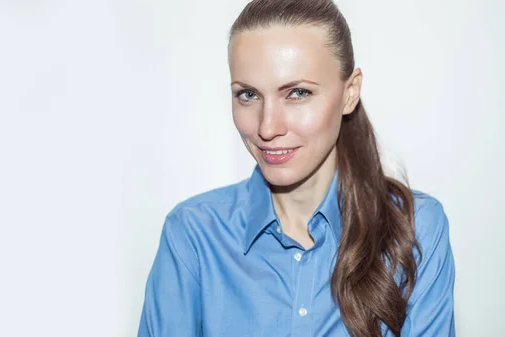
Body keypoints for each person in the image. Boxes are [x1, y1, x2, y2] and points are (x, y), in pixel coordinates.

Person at [137, 0, 456, 336]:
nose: (267, 127)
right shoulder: (193, 236)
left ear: (350, 93)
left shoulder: (415, 228)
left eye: (298, 93)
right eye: (248, 95)